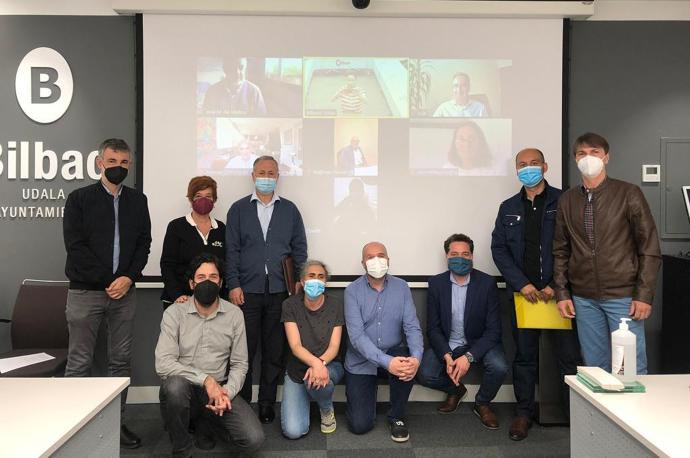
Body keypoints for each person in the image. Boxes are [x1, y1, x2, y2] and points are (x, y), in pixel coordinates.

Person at [63, 138, 151, 449]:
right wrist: (110, 280)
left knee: (121, 361)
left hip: (125, 293)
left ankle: (117, 422)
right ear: (100, 163)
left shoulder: (137, 202)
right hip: (86, 292)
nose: (118, 168)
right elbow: (75, 247)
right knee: (79, 362)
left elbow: (144, 244)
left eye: (124, 163)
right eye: (112, 162)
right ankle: (71, 427)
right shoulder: (79, 199)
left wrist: (128, 278)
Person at [490, 149, 581, 441]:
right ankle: (523, 414)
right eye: (522, 165)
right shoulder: (507, 207)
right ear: (516, 170)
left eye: (533, 164)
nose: (528, 169)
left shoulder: (565, 200)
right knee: (524, 358)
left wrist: (556, 284)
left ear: (545, 166)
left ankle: (575, 416)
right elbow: (499, 250)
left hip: (560, 295)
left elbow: (575, 245)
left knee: (568, 358)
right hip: (524, 297)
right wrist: (522, 285)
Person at [554, 133, 661, 375]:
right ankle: (599, 414)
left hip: (623, 296)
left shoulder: (628, 193)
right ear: (575, 159)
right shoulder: (567, 200)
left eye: (594, 152)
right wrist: (562, 293)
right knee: (594, 369)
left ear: (607, 157)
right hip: (583, 297)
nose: (588, 158)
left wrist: (644, 294)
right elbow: (560, 250)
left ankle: (633, 414)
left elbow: (649, 247)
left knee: (629, 368)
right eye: (582, 153)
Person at [155, 253, 264, 457]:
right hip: (184, 386)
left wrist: (226, 393)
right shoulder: (174, 313)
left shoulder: (234, 314)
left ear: (221, 282)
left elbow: (240, 364)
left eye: (213, 277)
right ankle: (182, 447)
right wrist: (206, 380)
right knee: (174, 387)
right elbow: (163, 364)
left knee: (254, 440)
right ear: (191, 283)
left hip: (218, 389)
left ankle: (206, 420)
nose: (208, 282)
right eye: (201, 277)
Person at [225, 155, 308, 423]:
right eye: (262, 172)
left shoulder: (290, 210)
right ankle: (244, 403)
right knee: (245, 352)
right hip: (246, 292)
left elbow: (300, 249)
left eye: (271, 173)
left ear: (278, 177)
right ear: (252, 175)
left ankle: (267, 403)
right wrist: (234, 283)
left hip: (279, 293)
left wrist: (296, 279)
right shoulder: (238, 210)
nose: (266, 177)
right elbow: (232, 251)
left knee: (274, 352)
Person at [417, 234, 508, 430]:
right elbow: (433, 328)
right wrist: (446, 355)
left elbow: (494, 330)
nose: (460, 258)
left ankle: (482, 403)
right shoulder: (436, 284)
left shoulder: (487, 283)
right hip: (448, 342)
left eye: (465, 254)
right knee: (425, 373)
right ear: (447, 256)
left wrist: (469, 356)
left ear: (472, 256)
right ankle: (456, 391)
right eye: (455, 254)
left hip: (478, 343)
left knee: (499, 367)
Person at [344, 242, 423, 443]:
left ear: (388, 260)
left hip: (393, 352)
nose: (376, 260)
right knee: (360, 426)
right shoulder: (351, 291)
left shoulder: (402, 287)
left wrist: (416, 358)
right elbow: (357, 337)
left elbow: (412, 327)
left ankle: (397, 416)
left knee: (406, 361)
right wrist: (387, 362)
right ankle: (365, 396)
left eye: (381, 255)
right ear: (363, 263)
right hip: (361, 360)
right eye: (370, 257)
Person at [280, 260, 345, 439]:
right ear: (302, 281)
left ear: (325, 282)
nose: (316, 280)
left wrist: (320, 364)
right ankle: (310, 395)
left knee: (316, 380)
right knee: (293, 431)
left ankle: (325, 409)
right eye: (311, 276)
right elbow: (295, 346)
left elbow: (334, 347)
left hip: (330, 365)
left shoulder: (336, 305)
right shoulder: (290, 305)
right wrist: (315, 364)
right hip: (298, 368)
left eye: (321, 277)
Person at [160, 176, 226, 308]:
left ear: (214, 200)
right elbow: (167, 265)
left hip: (213, 301)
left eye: (208, 196)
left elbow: (224, 266)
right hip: (180, 300)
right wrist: (177, 295)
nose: (203, 200)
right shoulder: (176, 226)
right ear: (190, 199)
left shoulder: (221, 228)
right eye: (198, 196)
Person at [202, 57, 267, 116]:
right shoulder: (212, 91)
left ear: (246, 69)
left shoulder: (255, 91)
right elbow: (205, 119)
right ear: (225, 69)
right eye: (232, 68)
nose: (237, 73)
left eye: (241, 67)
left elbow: (263, 120)